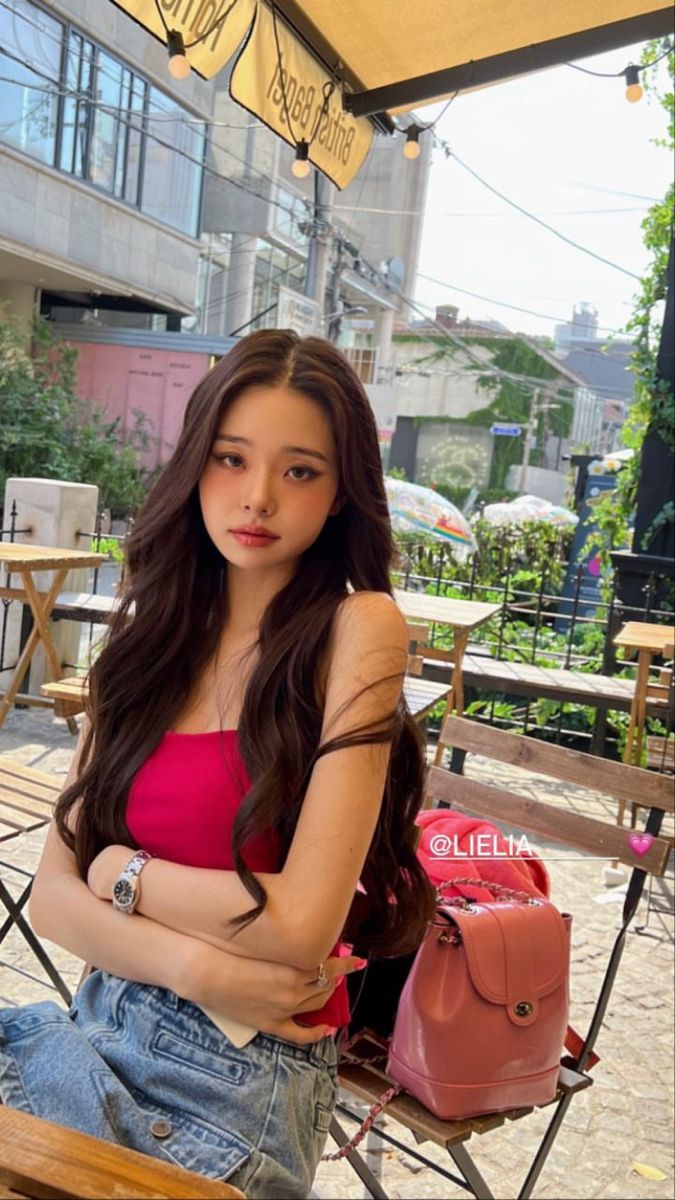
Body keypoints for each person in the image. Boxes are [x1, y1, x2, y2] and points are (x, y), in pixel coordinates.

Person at [0, 330, 435, 1197]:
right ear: (196, 461)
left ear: (342, 488)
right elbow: (50, 894)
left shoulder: (358, 630)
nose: (258, 496)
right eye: (231, 459)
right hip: (94, 1022)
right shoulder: (146, 641)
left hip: (225, 1089)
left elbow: (301, 925)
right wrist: (201, 966)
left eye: (299, 470)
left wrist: (121, 871)